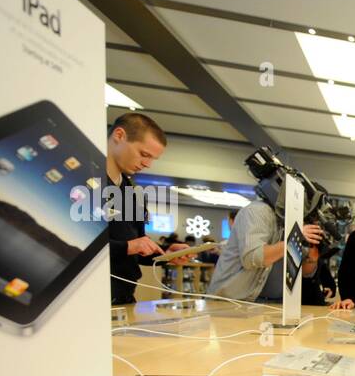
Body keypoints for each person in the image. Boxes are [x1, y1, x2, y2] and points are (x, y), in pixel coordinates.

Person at [106, 113, 190, 304]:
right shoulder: (86, 183)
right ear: (119, 136)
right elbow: (79, 248)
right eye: (144, 154)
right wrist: (128, 246)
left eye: (153, 159)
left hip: (125, 298)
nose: (147, 164)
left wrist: (165, 254)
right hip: (92, 297)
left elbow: (135, 250)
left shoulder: (133, 193)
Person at [206, 195, 324, 302]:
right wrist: (293, 239)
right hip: (234, 302)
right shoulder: (258, 211)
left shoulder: (296, 224)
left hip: (276, 302)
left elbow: (304, 273)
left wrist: (312, 258)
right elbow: (252, 258)